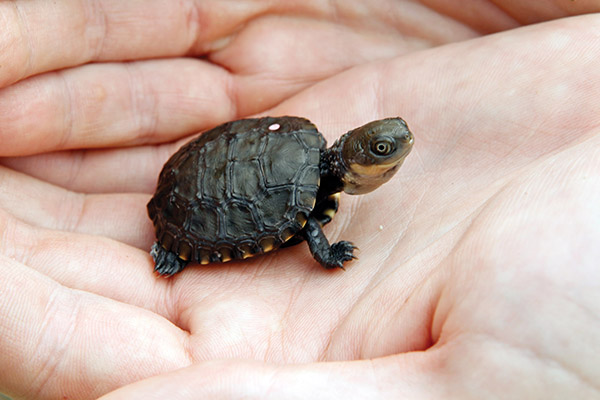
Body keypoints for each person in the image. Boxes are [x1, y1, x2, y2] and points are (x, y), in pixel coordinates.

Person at [1, 2, 599, 399]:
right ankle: (174, 246)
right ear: (359, 157)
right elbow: (310, 230)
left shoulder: (309, 139)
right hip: (186, 205)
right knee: (197, 232)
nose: (398, 146)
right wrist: (328, 253)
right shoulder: (311, 200)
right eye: (387, 146)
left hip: (195, 165)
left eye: (389, 141)